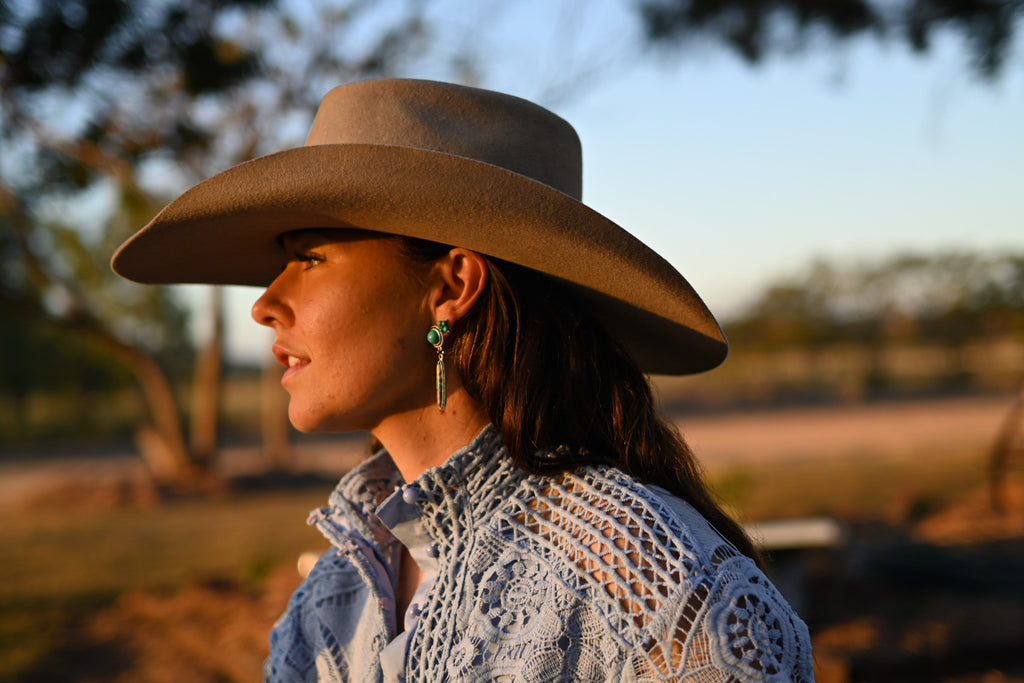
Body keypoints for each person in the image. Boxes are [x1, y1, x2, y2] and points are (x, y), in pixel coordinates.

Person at [113, 78, 815, 682]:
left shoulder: (656, 591)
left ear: (451, 285)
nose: (265, 303)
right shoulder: (332, 604)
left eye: (311, 256)